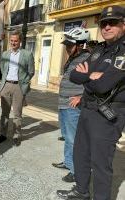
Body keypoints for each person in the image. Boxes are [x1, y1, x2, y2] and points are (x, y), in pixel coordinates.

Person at [57, 5, 125, 200]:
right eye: (104, 23)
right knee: (81, 153)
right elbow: (74, 76)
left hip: (108, 112)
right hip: (87, 108)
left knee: (101, 162)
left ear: (123, 24)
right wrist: (91, 75)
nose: (107, 27)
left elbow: (103, 85)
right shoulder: (99, 50)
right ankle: (81, 191)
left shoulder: (123, 52)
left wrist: (89, 75)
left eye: (113, 23)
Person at [52, 27, 91, 183]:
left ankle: (76, 171)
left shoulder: (87, 59)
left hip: (73, 107)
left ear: (80, 45)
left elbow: (93, 81)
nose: (67, 48)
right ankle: (68, 163)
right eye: (67, 45)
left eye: (70, 45)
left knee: (74, 139)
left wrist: (81, 97)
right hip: (64, 104)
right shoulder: (73, 58)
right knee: (67, 137)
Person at [0, 30, 35, 146]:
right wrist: (5, 80)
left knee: (17, 114)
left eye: (15, 41)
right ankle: (3, 134)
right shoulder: (5, 54)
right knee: (4, 113)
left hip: (19, 86)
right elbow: (3, 69)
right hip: (6, 85)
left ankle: (16, 135)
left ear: (20, 41)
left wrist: (24, 82)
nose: (13, 43)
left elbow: (31, 71)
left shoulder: (27, 54)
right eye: (11, 40)